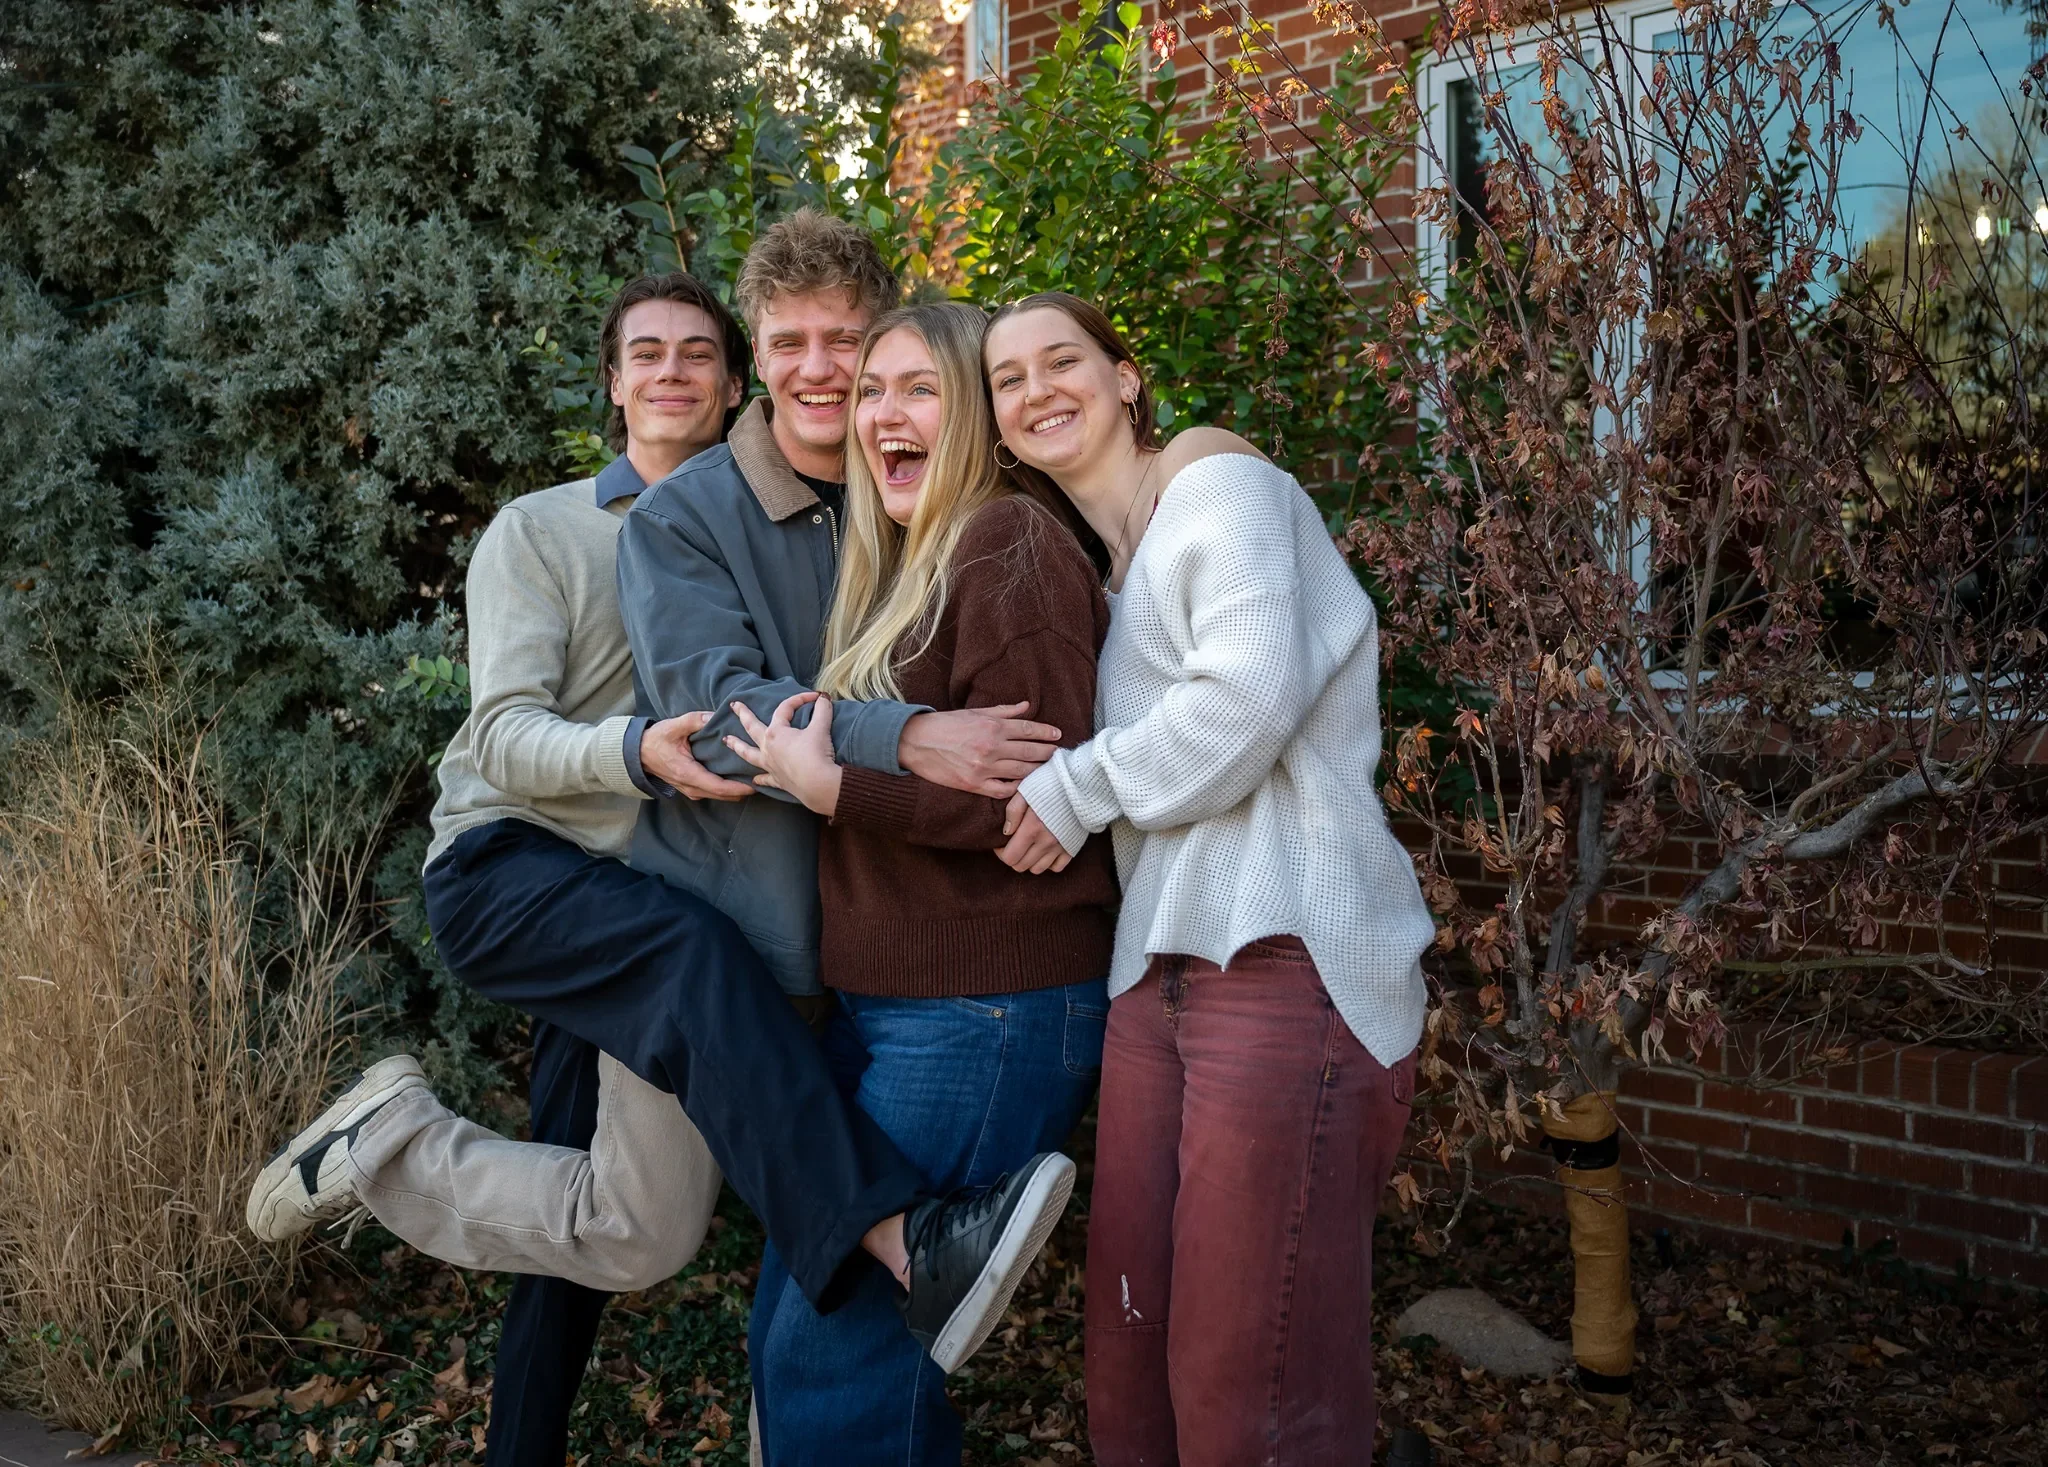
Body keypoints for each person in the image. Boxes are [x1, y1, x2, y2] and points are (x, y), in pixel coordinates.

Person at [248, 268, 1069, 1467]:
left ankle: (385, 1146)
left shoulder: (846, 520)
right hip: (529, 864)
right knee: (685, 979)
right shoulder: (555, 528)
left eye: (699, 353)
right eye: (647, 354)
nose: (674, 373)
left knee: (636, 1226)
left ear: (729, 380)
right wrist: (635, 748)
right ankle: (898, 1240)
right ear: (616, 380)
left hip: (653, 885)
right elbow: (498, 739)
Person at [983, 292, 1438, 1467]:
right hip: (1155, 980)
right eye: (1006, 378)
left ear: (1127, 379)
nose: (1036, 390)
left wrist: (1072, 791)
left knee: (1252, 1384)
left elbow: (1242, 701)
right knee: (1128, 1359)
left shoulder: (1221, 488)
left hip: (1283, 959)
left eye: (1062, 360)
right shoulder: (1104, 569)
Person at [723, 301, 1116, 1466]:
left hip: (987, 1007)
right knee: (807, 1328)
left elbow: (1033, 802)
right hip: (899, 1007)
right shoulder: (905, 563)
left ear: (977, 421)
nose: (884, 414)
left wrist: (837, 788)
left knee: (837, 1354)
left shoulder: (1007, 545)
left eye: (920, 390)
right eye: (872, 392)